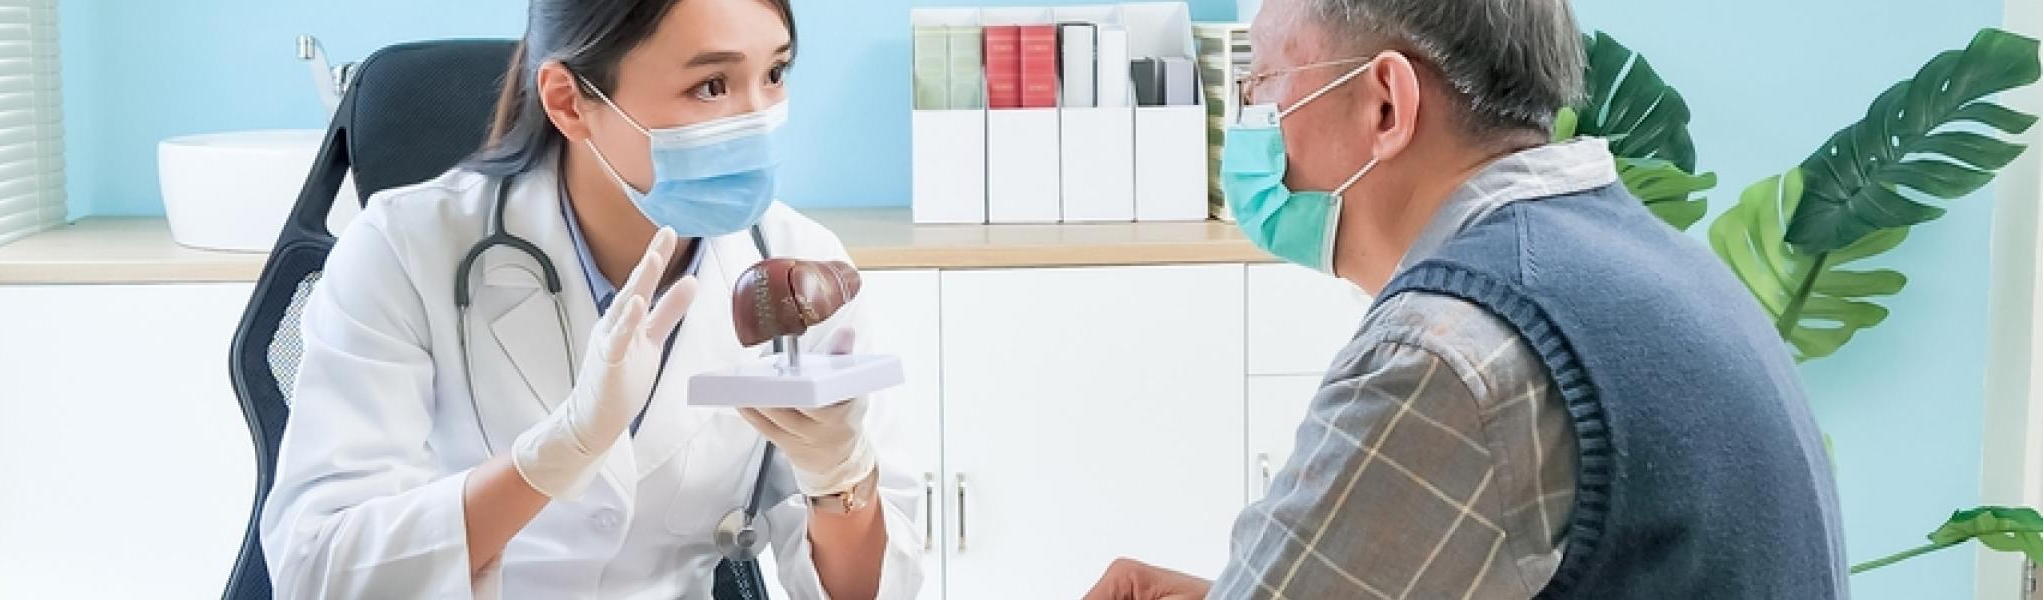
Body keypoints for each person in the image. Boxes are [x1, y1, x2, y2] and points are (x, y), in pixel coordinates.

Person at [1086, 0, 1847, 598]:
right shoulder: (1655, 263)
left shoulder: (1447, 349)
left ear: (1385, 105)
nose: (1254, 122)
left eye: (1262, 83)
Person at [256, 1, 925, 597]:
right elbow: (318, 573)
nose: (758, 120)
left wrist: (839, 477)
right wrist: (556, 454)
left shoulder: (796, 267)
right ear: (570, 102)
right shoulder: (404, 250)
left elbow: (871, 592)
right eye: (712, 86)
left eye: (774, 73)